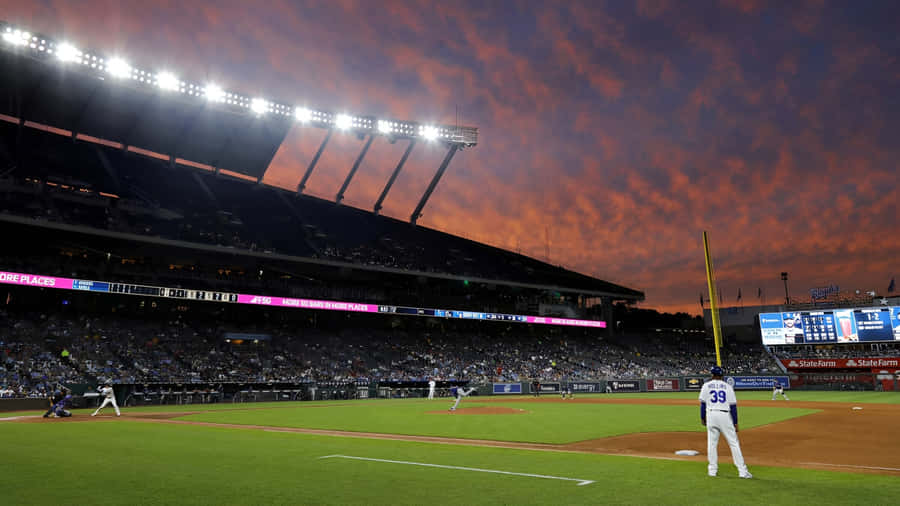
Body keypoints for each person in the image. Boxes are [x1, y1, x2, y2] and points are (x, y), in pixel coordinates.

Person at [699, 366, 752, 479]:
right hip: (724, 415)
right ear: (722, 376)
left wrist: (703, 418)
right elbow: (733, 406)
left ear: (712, 375)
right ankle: (742, 472)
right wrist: (735, 422)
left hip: (711, 415)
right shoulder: (728, 386)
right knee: (733, 443)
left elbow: (703, 404)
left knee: (712, 444)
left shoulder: (706, 386)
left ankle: (712, 471)